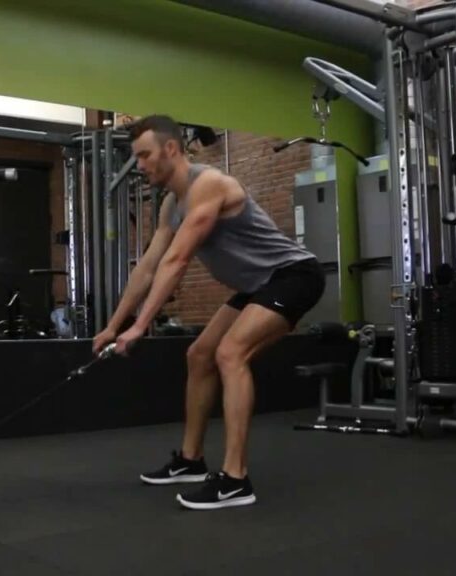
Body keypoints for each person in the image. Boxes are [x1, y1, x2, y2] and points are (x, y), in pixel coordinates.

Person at [92, 114, 325, 510]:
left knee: (229, 354)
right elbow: (148, 266)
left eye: (145, 155)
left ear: (170, 149)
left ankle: (236, 480)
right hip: (259, 285)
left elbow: (177, 260)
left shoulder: (210, 185)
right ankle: (191, 459)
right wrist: (115, 325)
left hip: (293, 276)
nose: (141, 165)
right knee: (199, 355)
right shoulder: (171, 204)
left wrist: (141, 326)